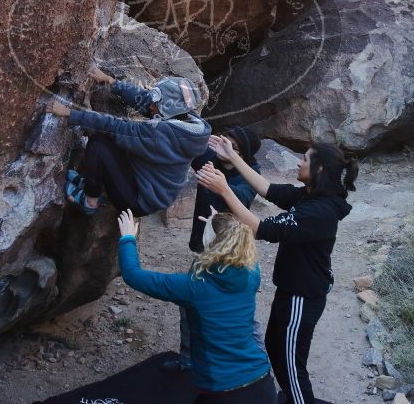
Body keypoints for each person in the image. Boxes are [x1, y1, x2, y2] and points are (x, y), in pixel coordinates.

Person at [196, 137, 358, 404]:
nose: (299, 161)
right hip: (291, 291)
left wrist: (225, 190)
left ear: (318, 169)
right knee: (274, 346)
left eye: (304, 159)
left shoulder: (319, 211)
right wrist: (234, 157)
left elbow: (260, 229)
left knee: (292, 366)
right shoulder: (309, 196)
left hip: (302, 298)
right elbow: (268, 189)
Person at [117, 208, 278, 404]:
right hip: (263, 383)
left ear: (209, 243)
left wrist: (127, 238)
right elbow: (234, 240)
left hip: (223, 392)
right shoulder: (252, 274)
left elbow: (133, 275)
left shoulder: (193, 287)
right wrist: (222, 224)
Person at [162, 126, 263, 373]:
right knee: (188, 304)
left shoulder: (250, 173)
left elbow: (241, 197)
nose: (224, 149)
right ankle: (187, 360)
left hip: (233, 254)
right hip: (206, 247)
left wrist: (220, 184)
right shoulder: (211, 159)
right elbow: (185, 143)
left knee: (238, 312)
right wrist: (201, 138)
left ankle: (258, 364)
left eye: (232, 147)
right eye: (224, 142)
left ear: (243, 154)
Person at [47, 66, 211, 216]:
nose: (151, 106)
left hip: (139, 200)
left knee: (99, 144)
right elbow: (145, 100)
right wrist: (111, 82)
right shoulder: (188, 121)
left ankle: (91, 201)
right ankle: (95, 182)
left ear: (166, 108)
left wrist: (69, 113)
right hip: (151, 188)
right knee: (115, 148)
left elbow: (115, 126)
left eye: (155, 103)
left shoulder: (159, 134)